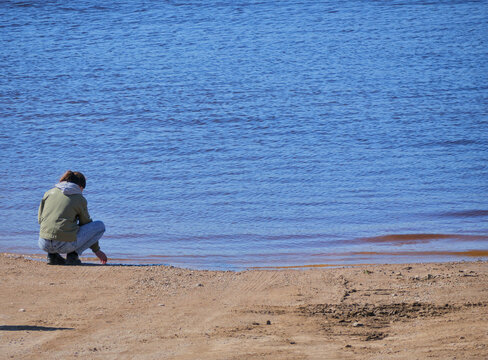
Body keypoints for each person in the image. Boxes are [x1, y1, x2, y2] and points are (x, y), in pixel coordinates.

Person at [38, 170, 107, 265]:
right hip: (64, 246)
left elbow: (40, 219)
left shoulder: (48, 193)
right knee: (100, 226)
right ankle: (72, 256)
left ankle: (52, 256)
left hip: (43, 243)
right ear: (80, 187)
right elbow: (86, 223)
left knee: (57, 224)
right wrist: (97, 250)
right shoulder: (79, 199)